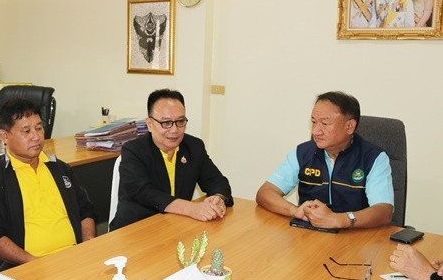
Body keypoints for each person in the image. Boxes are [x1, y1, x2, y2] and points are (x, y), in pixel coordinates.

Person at [0, 98, 96, 271]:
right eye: (26, 131)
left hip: (73, 260)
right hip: (27, 268)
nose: (36, 137)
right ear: (5, 136)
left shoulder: (60, 169)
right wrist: (35, 263)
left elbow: (86, 211)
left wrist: (88, 244)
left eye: (39, 128)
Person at [256, 91, 394, 229]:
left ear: (349, 126)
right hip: (309, 235)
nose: (315, 131)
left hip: (356, 235)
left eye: (324, 123)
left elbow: (384, 211)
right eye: (314, 122)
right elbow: (265, 192)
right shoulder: (303, 153)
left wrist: (339, 220)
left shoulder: (373, 158)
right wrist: (294, 211)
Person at [110, 89, 233, 230]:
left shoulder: (194, 147)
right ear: (149, 124)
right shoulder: (134, 150)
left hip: (175, 227)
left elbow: (216, 181)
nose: (174, 130)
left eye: (180, 121)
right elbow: (144, 192)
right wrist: (191, 208)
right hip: (136, 229)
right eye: (166, 122)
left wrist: (218, 198)